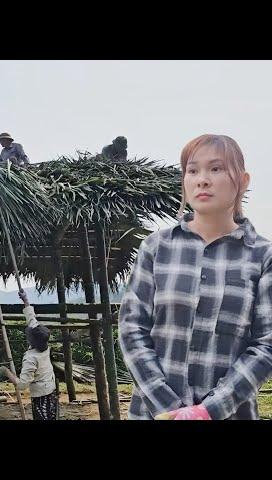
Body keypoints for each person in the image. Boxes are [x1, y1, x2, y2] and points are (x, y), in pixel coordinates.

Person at [119, 134, 272, 420]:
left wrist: (207, 411)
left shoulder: (263, 256)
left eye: (216, 169)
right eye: (192, 170)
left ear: (243, 180)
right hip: (153, 414)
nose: (202, 179)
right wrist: (171, 409)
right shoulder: (156, 247)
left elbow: (266, 344)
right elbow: (132, 330)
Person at [0, 290, 58, 420]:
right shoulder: (43, 342)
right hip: (51, 388)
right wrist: (25, 300)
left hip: (41, 394)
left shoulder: (31, 358)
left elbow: (22, 385)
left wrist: (7, 372)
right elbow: (32, 319)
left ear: (32, 340)